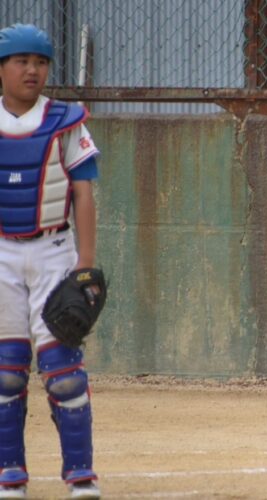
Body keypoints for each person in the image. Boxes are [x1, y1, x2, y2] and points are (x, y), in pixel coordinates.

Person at [0, 24, 102, 498]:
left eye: (40, 62)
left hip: (54, 250)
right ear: (2, 68)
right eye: (21, 61)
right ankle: (10, 475)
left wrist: (86, 264)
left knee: (63, 372)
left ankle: (80, 475)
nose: (32, 70)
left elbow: (83, 191)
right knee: (6, 372)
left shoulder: (65, 120)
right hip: (2, 254)